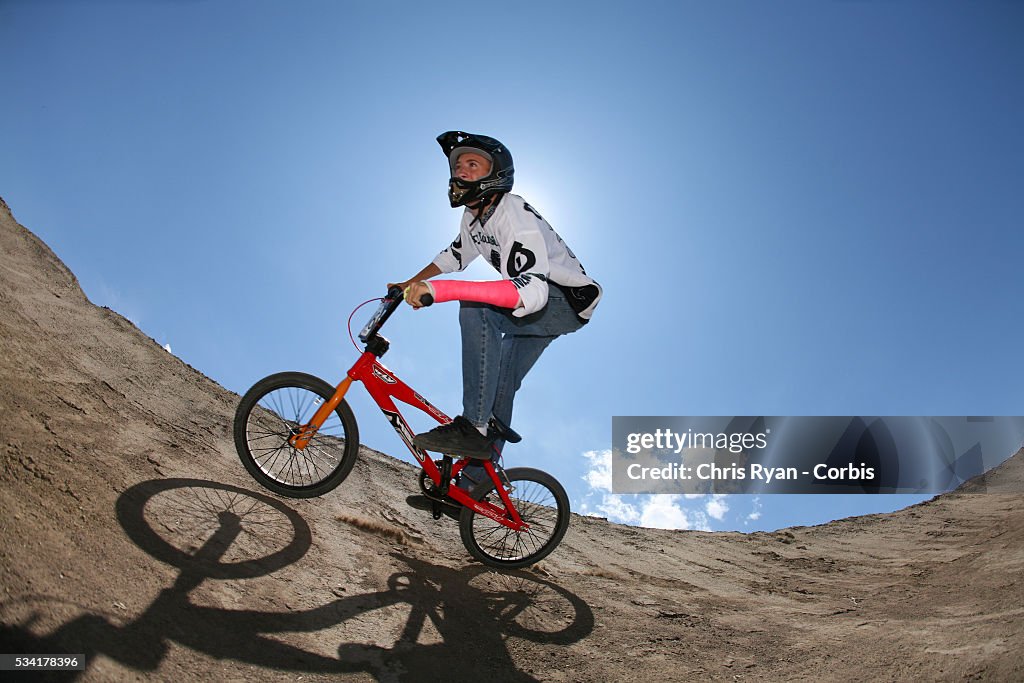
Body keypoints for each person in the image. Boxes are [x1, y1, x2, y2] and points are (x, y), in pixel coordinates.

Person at [390, 131, 601, 491]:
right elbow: (452, 257)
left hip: (564, 301)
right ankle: (473, 485)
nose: (462, 170)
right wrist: (407, 283)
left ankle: (472, 428)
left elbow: (531, 291)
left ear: (495, 174)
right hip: (540, 311)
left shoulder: (513, 212)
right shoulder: (472, 220)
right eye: (458, 165)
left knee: (476, 307)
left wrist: (439, 292)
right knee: (501, 386)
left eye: (473, 164)